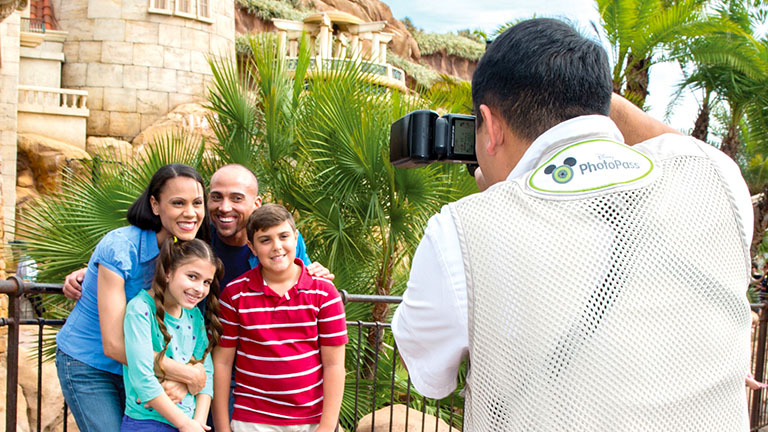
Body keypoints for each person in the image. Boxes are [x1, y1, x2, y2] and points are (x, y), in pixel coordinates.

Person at [392, 18, 754, 430]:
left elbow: (426, 373)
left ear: (490, 127)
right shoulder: (717, 180)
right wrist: (591, 95)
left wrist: (497, 204)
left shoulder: (459, 233)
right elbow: (689, 149)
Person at [56, 164, 212, 431]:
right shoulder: (121, 247)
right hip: (92, 366)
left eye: (197, 203)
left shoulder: (185, 250)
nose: (190, 212)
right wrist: (187, 374)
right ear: (155, 204)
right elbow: (115, 345)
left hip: (141, 371)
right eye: (178, 203)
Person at [62, 164, 332, 298]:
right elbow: (150, 259)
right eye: (215, 197)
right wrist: (91, 271)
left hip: (256, 358)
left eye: (236, 198)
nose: (224, 207)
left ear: (256, 203)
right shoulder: (194, 235)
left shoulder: (279, 241)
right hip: (202, 352)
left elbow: (303, 286)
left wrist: (317, 275)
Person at [212, 204, 347, 432]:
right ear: (252, 247)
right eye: (265, 240)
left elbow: (334, 365)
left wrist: (326, 427)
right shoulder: (234, 295)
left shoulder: (324, 293)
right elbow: (222, 363)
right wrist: (223, 427)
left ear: (295, 238)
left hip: (310, 420)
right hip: (252, 420)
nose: (277, 247)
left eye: (283, 236)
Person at [122, 239, 223, 432]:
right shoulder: (140, 310)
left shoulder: (194, 316)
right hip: (147, 422)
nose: (200, 288)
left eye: (206, 282)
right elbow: (142, 378)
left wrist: (198, 423)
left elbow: (206, 372)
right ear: (168, 272)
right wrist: (184, 424)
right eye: (192, 276)